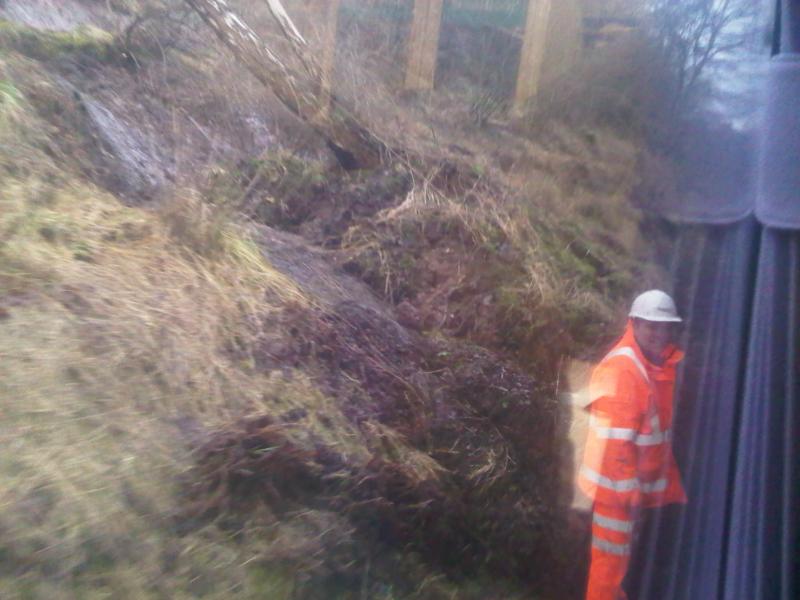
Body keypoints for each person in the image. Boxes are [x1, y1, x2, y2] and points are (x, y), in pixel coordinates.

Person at [578, 290, 687, 600]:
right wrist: (629, 492)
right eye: (650, 325)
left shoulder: (649, 363)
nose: (657, 333)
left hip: (628, 489)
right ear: (634, 325)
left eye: (663, 326)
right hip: (617, 492)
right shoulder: (625, 370)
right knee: (609, 567)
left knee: (620, 565)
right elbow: (616, 445)